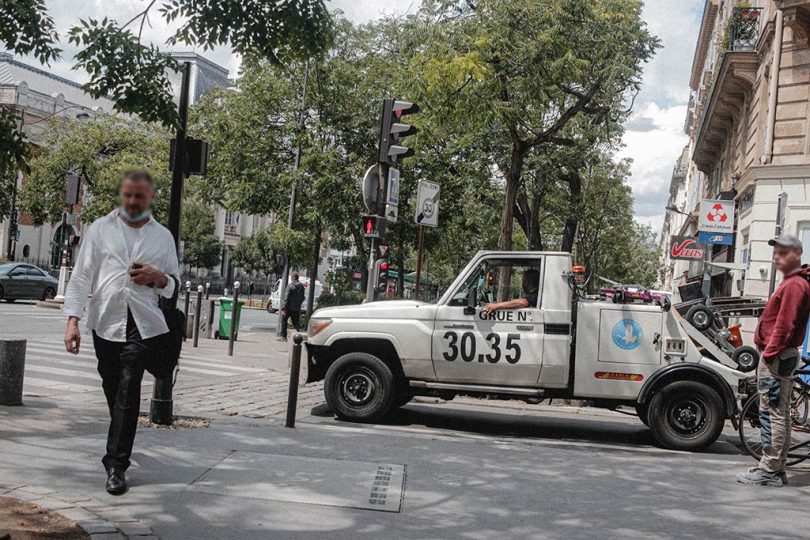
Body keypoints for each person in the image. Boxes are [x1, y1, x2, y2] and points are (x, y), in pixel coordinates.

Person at [63, 170, 180, 495]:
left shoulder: (163, 237)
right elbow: (81, 276)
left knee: (128, 391)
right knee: (113, 387)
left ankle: (116, 465)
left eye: (139, 196)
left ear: (150, 198)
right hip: (105, 320)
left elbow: (174, 285)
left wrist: (159, 277)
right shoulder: (101, 229)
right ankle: (119, 440)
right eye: (128, 195)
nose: (132, 201)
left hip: (142, 324)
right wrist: (73, 320)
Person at [737, 234, 810, 487]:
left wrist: (769, 353)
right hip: (782, 354)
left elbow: (785, 324)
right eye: (775, 252)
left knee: (772, 413)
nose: (776, 257)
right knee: (779, 414)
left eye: (782, 252)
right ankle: (775, 468)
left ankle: (770, 469)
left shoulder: (794, 285)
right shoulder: (796, 283)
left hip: (777, 356)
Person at [278, 272, 305, 342]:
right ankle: (300, 336)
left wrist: (284, 308)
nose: (290, 278)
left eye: (291, 277)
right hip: (296, 308)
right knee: (296, 322)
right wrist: (298, 304)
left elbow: (286, 298)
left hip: (288, 308)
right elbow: (303, 298)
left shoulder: (290, 286)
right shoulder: (301, 287)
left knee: (284, 321)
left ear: (293, 278)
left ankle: (283, 337)